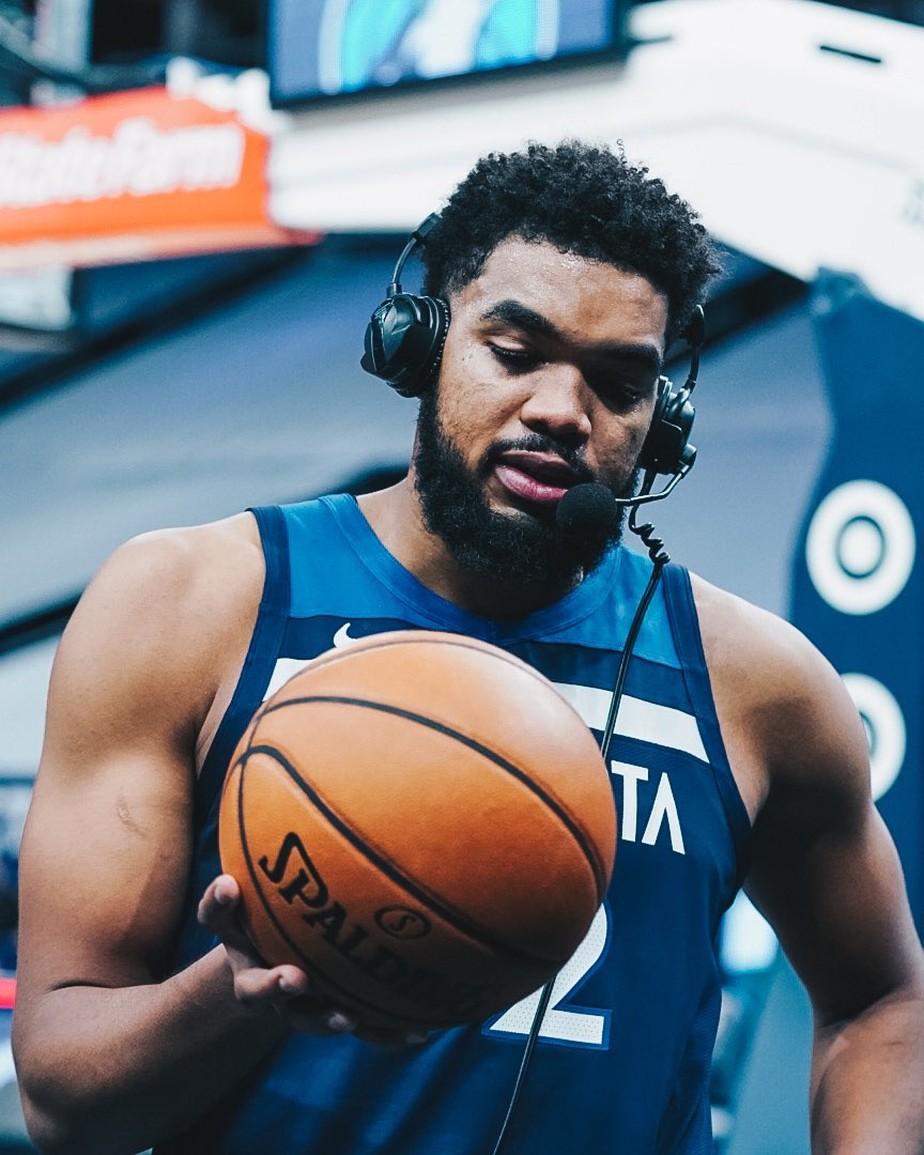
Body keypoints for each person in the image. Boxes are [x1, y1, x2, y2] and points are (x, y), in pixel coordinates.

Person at [11, 140, 924, 1155]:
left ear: (662, 423)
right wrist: (244, 989)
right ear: (421, 341)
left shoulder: (759, 687)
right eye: (517, 350)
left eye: (620, 381)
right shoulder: (194, 604)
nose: (561, 412)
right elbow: (63, 1102)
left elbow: (883, 999)